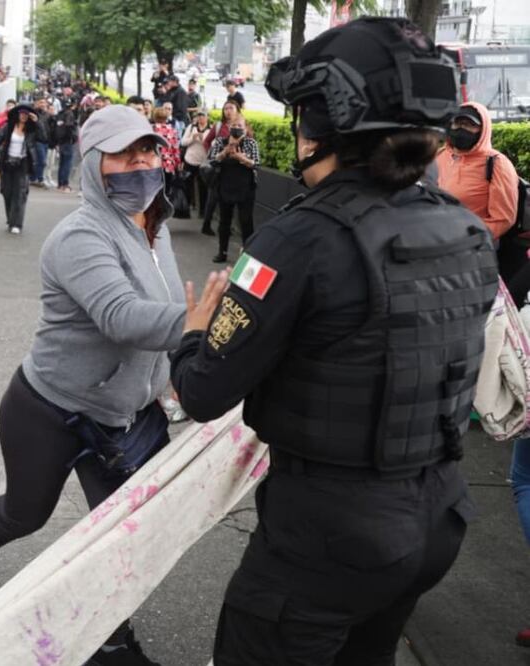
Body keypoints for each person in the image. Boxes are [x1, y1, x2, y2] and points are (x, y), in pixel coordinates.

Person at [171, 18, 495, 665]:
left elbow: (203, 393)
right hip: (434, 520)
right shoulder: (464, 231)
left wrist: (193, 336)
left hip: (328, 540)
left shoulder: (300, 241)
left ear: (322, 123)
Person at [0, 105, 217, 666]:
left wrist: (183, 371)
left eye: (147, 151)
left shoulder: (155, 225)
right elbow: (121, 316)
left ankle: (109, 643)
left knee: (123, 536)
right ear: (96, 165)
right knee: (26, 514)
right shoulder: (77, 236)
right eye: (125, 154)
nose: (141, 163)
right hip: (49, 409)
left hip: (129, 418)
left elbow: (167, 313)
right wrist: (200, 325)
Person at [436, 103, 522, 281]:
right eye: (457, 123)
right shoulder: (440, 156)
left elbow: (503, 218)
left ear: (483, 129)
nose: (461, 129)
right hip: (438, 249)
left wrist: (468, 239)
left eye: (469, 125)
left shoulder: (497, 163)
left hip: (476, 253)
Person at [0, 104, 46, 234]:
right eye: (22, 113)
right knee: (6, 192)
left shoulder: (32, 129)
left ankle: (17, 224)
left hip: (23, 163)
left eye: (27, 114)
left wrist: (37, 122)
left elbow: (43, 138)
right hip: (7, 163)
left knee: (19, 194)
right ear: (17, 114)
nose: (24, 116)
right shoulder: (9, 127)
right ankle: (11, 219)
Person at [207, 121, 259, 263]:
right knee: (224, 221)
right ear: (229, 128)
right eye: (234, 125)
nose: (236, 128)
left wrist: (241, 158)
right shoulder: (220, 141)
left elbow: (256, 163)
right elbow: (211, 160)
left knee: (246, 222)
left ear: (246, 128)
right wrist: (225, 152)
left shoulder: (250, 143)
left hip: (246, 187)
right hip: (225, 185)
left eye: (240, 125)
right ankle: (222, 252)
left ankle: (248, 255)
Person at [202, 100, 250, 235]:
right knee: (213, 198)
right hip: (219, 168)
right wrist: (211, 153)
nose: (228, 111)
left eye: (231, 108)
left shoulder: (244, 126)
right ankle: (207, 224)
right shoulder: (219, 126)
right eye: (225, 108)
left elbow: (251, 149)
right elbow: (207, 141)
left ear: (237, 110)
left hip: (237, 172)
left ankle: (228, 229)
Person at [181, 111, 212, 225]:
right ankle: (186, 208)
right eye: (199, 116)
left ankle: (202, 211)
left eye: (203, 115)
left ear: (207, 117)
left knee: (203, 187)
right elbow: (183, 142)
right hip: (190, 160)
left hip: (203, 162)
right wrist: (193, 138)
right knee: (187, 185)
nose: (201, 118)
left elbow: (212, 146)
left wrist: (203, 139)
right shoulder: (191, 127)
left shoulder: (211, 129)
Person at [150, 106, 181, 201]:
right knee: (166, 188)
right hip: (168, 164)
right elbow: (175, 148)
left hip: (153, 163)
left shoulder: (151, 129)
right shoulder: (172, 130)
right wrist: (177, 162)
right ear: (166, 117)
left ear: (155, 117)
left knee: (154, 189)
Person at [53, 98, 80, 193]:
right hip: (67, 141)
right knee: (67, 163)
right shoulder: (69, 114)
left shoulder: (60, 114)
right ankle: (65, 184)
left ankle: (60, 184)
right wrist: (73, 137)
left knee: (62, 163)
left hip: (60, 140)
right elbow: (69, 126)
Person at [31, 98, 53, 187]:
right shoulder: (34, 114)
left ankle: (34, 178)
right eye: (40, 102)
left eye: (44, 102)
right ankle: (39, 178)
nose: (42, 104)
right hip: (37, 140)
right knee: (42, 161)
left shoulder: (48, 115)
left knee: (41, 161)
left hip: (46, 141)